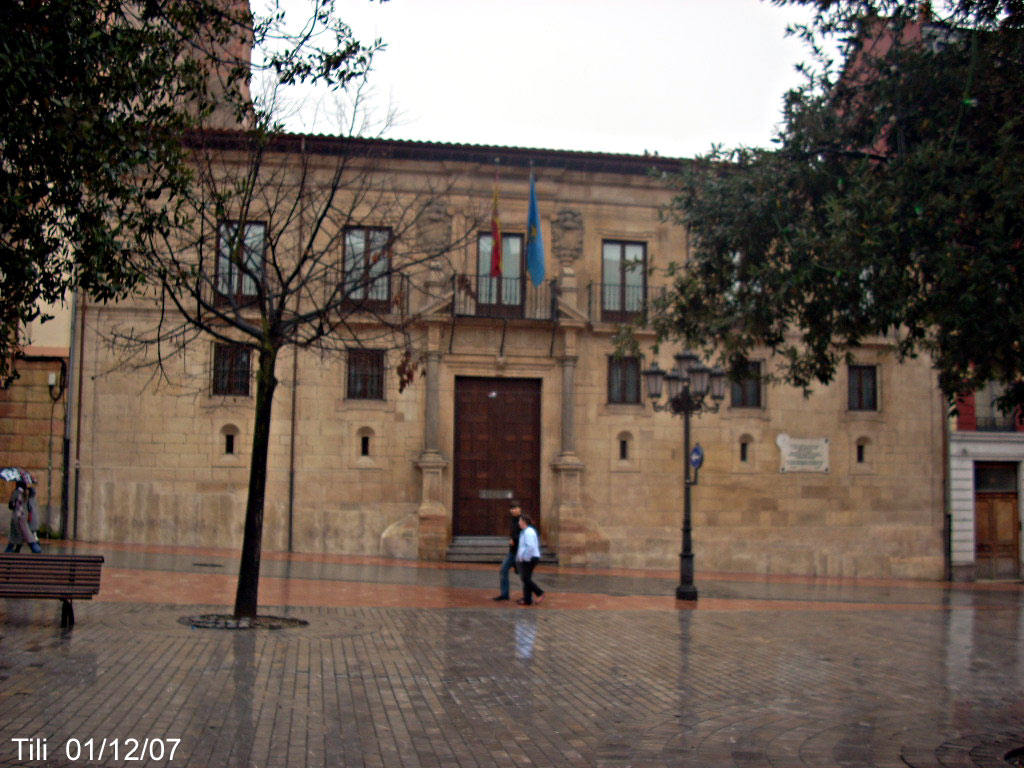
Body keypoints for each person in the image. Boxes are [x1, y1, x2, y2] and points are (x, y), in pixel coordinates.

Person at [492, 501, 522, 601]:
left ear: (520, 509)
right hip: (512, 552)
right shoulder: (513, 520)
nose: (513, 510)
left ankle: (532, 594)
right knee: (503, 570)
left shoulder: (523, 520)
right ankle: (504, 594)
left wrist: (515, 539)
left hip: (520, 552)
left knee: (524, 575)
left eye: (515, 508)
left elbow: (526, 534)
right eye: (512, 508)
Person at [515, 514, 545, 606]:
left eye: (520, 521)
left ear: (524, 522)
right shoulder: (524, 532)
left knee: (525, 578)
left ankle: (539, 592)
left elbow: (530, 546)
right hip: (527, 558)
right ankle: (527, 599)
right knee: (526, 578)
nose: (519, 523)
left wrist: (526, 558)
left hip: (530, 558)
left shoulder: (529, 532)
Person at [5, 481, 42, 554]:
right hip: (23, 515)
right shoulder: (25, 493)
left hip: (17, 516)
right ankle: (11, 548)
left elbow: (11, 505)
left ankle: (35, 548)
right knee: (22, 533)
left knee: (21, 533)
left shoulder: (16, 492)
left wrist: (12, 503)